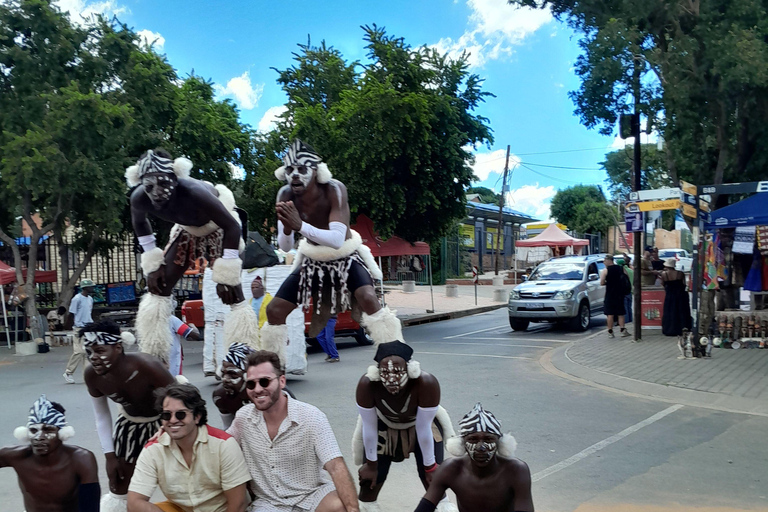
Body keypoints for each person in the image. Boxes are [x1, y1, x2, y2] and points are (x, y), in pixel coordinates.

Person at [262, 139, 400, 366]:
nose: (295, 175)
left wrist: (299, 226)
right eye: (290, 170)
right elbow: (285, 246)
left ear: (316, 172)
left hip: (344, 258)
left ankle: (395, 360)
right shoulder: (285, 194)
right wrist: (287, 227)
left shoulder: (334, 189)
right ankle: (272, 372)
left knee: (368, 298)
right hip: (313, 261)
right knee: (275, 310)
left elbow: (337, 240)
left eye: (302, 170)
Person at [127, 148, 259, 365]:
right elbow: (140, 224)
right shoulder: (139, 198)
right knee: (158, 287)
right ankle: (155, 357)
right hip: (188, 229)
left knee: (231, 291)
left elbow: (232, 226)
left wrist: (226, 274)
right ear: (141, 183)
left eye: (163, 183)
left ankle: (244, 356)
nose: (157, 192)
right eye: (150, 186)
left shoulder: (195, 192)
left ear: (175, 177)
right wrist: (153, 263)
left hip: (221, 226)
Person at [227, 350, 359, 512]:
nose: (258, 389)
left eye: (264, 381)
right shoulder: (243, 419)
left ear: (282, 381)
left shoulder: (311, 416)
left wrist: (353, 509)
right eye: (251, 384)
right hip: (269, 503)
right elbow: (221, 447)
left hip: (313, 495)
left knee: (340, 507)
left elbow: (336, 466)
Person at [81, 320, 176, 512]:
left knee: (181, 479)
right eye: (89, 352)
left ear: (117, 347)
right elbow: (101, 416)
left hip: (169, 421)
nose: (94, 358)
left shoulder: (147, 366)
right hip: (130, 425)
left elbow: (184, 402)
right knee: (120, 484)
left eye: (100, 350)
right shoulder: (92, 375)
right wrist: (109, 456)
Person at [354, 341, 455, 512]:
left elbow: (424, 428)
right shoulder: (367, 385)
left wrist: (430, 467)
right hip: (383, 424)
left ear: (410, 370)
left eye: (397, 371)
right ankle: (367, 506)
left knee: (433, 480)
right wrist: (371, 464)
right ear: (376, 373)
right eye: (385, 372)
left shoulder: (426, 383)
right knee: (369, 481)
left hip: (420, 425)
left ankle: (442, 505)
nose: (391, 378)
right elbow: (369, 427)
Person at [127, 383, 251, 512]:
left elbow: (238, 504)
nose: (173, 420)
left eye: (181, 414)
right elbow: (134, 503)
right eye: (167, 415)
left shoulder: (223, 444)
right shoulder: (153, 450)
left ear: (197, 417)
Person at [415, 403, 533, 512]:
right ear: (462, 444)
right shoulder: (450, 469)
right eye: (473, 439)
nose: (481, 447)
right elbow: (426, 506)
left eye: (488, 439)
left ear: (499, 443)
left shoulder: (516, 470)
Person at [2, 395, 99, 512]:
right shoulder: (16, 456)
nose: (39, 437)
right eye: (33, 430)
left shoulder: (81, 459)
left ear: (62, 433)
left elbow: (90, 507)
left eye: (48, 430)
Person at [212, 343, 255, 429]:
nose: (225, 379)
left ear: (248, 376)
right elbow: (228, 428)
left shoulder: (270, 393)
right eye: (223, 373)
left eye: (233, 375)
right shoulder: (220, 395)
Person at [63, 278, 95, 384]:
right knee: (79, 351)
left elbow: (88, 313)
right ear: (85, 288)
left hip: (88, 328)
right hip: (78, 328)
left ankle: (87, 375)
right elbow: (72, 314)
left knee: (87, 352)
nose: (92, 288)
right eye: (91, 286)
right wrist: (69, 326)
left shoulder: (90, 299)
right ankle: (68, 372)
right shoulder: (77, 299)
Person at [661, 257, 693, 336]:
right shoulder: (680, 273)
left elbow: (663, 284)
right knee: (681, 311)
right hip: (680, 295)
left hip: (670, 295)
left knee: (670, 312)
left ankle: (670, 329)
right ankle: (683, 327)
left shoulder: (664, 274)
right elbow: (684, 284)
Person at [600, 255, 629, 338]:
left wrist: (608, 283)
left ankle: (610, 331)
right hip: (620, 294)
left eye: (604, 261)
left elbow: (601, 282)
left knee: (610, 314)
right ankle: (623, 330)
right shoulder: (621, 268)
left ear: (608, 260)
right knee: (620, 313)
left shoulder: (605, 271)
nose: (604, 262)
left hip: (610, 294)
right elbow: (626, 278)